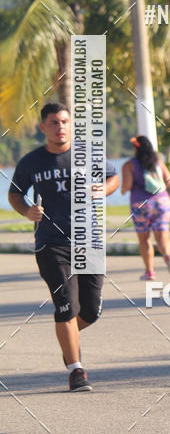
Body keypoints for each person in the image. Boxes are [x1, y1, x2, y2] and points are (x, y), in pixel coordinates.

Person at [8, 102, 119, 392]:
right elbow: (15, 194)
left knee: (90, 311)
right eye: (54, 122)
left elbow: (113, 177)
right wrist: (27, 211)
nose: (60, 127)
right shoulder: (32, 162)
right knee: (66, 305)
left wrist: (103, 189)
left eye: (65, 122)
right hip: (51, 244)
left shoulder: (88, 153)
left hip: (89, 241)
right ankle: (76, 370)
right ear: (43, 127)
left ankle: (66, 335)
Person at [121, 135, 170, 281]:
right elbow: (169, 182)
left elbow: (127, 186)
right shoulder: (158, 161)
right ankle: (168, 257)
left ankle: (150, 272)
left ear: (135, 148)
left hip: (141, 204)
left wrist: (123, 190)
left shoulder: (129, 165)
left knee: (144, 239)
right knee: (162, 235)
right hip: (162, 202)